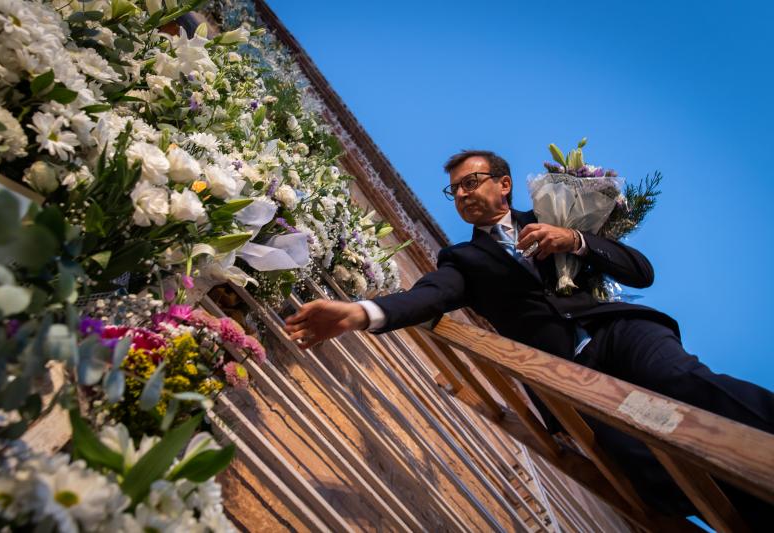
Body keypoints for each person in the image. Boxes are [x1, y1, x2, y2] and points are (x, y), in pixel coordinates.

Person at [284, 149, 774, 522]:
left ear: (504, 184)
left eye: (470, 182)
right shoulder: (463, 260)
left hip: (617, 331)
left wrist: (575, 240)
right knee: (641, 465)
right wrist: (361, 313)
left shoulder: (556, 216)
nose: (461, 194)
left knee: (682, 382)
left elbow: (641, 272)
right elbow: (429, 296)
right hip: (566, 376)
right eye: (454, 191)